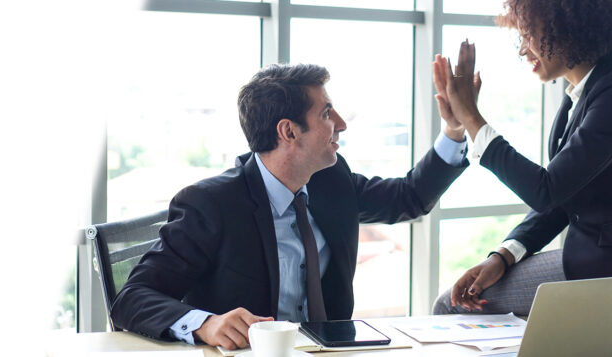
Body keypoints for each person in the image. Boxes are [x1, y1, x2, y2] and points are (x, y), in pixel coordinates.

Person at [110, 63, 469, 349]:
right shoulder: (211, 204)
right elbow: (132, 298)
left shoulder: (332, 179)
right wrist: (207, 323)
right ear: (289, 132)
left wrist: (454, 130)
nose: (341, 124)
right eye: (327, 113)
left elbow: (409, 197)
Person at [430, 0, 612, 316]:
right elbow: (563, 197)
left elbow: (547, 189)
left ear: (567, 29)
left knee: (450, 306)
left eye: (529, 35)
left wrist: (471, 118)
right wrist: (503, 255)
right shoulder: (582, 97)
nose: (523, 50)